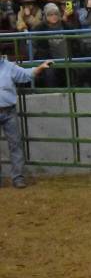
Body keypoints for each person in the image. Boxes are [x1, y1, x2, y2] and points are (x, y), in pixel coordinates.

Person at [0, 56, 52, 188]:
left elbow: (26, 74)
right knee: (15, 145)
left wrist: (40, 67)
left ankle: (18, 178)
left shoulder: (9, 66)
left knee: (15, 144)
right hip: (8, 112)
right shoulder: (8, 66)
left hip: (9, 110)